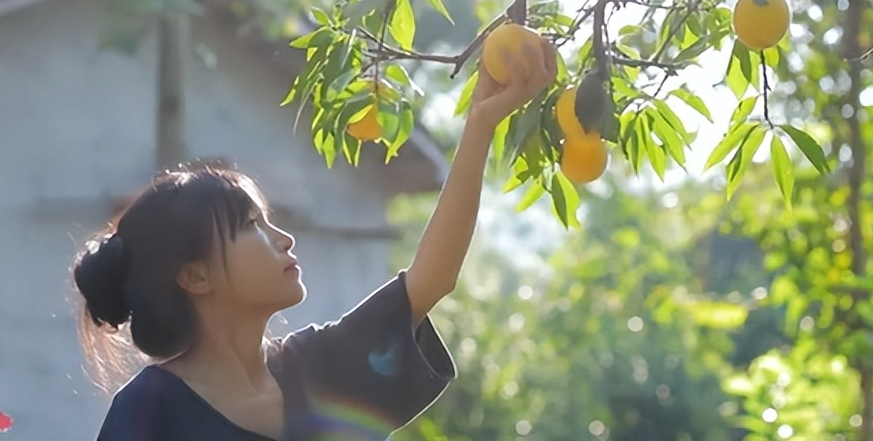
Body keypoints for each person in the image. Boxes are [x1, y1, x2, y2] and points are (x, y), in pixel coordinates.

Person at [71, 39, 557, 441]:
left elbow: (433, 278)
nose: (283, 239)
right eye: (250, 226)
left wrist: (481, 123)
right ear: (195, 275)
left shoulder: (317, 367)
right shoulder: (148, 412)